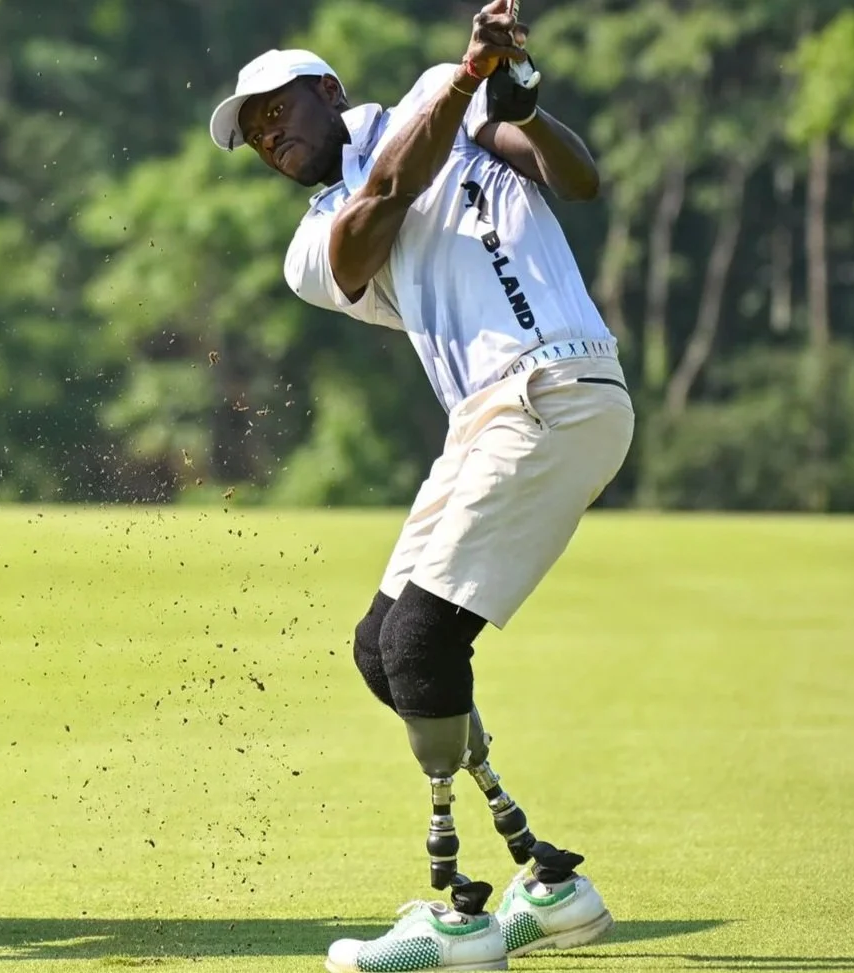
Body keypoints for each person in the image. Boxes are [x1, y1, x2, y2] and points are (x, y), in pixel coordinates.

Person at [208, 3, 633, 971]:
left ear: (327, 92)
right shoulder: (311, 247)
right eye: (253, 135)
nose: (267, 140)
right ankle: (549, 884)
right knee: (380, 651)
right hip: (487, 416)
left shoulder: (446, 107)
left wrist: (516, 97)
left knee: (419, 644)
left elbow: (575, 176)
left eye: (276, 113)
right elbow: (386, 198)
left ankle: (460, 911)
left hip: (553, 388)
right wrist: (468, 74)